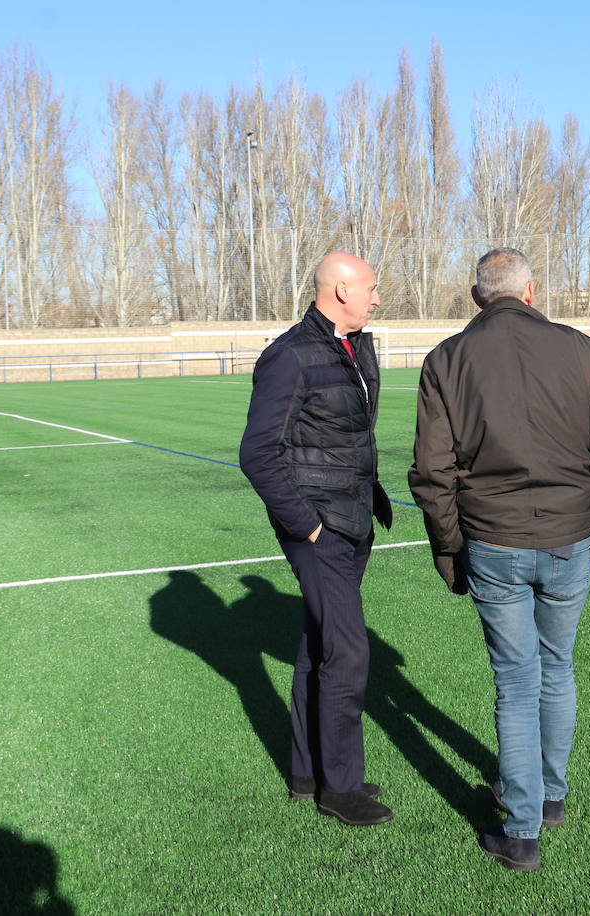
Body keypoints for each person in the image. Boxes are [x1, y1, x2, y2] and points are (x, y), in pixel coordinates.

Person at [408, 248, 590, 871]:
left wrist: (450, 547)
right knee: (554, 667)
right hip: (565, 536)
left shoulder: (448, 358)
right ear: (530, 292)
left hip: (497, 540)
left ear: (478, 296)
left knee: (517, 681)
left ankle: (524, 826)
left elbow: (432, 474)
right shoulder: (578, 349)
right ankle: (547, 799)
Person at [239, 251, 394, 827]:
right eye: (371, 288)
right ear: (342, 291)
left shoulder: (351, 347)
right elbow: (258, 453)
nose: (377, 298)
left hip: (352, 518)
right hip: (320, 527)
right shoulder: (290, 355)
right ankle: (341, 788)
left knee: (320, 644)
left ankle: (309, 774)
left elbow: (348, 436)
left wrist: (369, 496)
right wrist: (306, 524)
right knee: (349, 651)